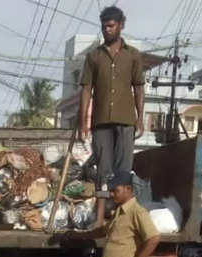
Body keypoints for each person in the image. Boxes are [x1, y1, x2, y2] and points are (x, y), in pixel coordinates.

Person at [78, 6, 145, 227]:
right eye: (104, 26)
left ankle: (121, 220)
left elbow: (139, 88)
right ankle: (99, 219)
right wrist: (82, 122)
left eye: (111, 25)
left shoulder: (133, 55)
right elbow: (86, 89)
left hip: (126, 121)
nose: (107, 30)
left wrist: (141, 118)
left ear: (121, 25)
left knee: (123, 172)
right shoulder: (94, 56)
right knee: (103, 173)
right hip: (101, 123)